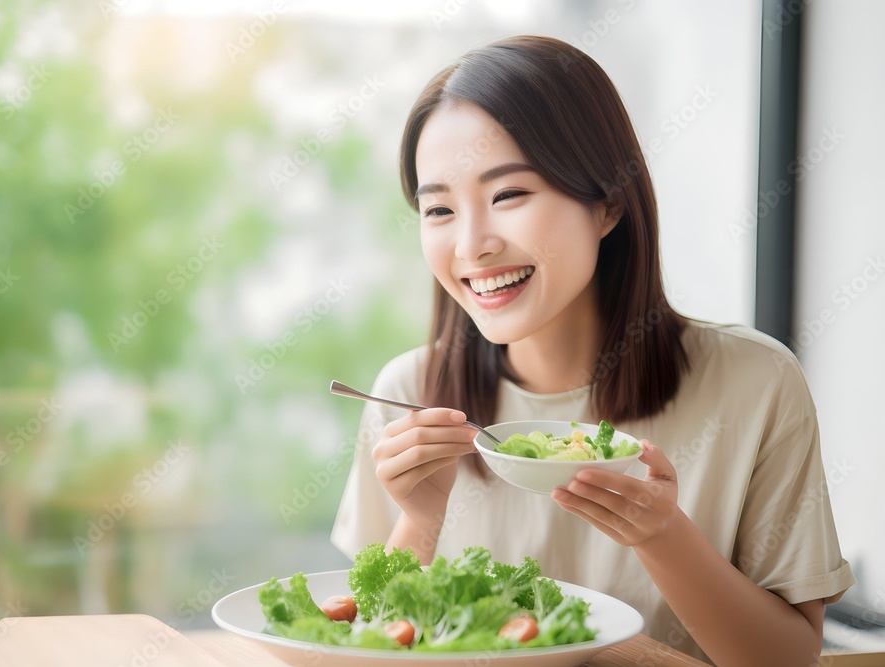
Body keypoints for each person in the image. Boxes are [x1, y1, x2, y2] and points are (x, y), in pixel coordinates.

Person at [330, 36, 854, 665]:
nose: (472, 246)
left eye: (508, 196)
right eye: (438, 208)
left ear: (606, 202)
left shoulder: (755, 383)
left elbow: (787, 660)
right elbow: (361, 645)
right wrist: (419, 518)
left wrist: (663, 536)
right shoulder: (407, 395)